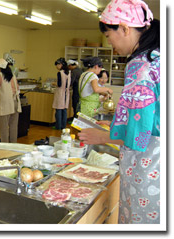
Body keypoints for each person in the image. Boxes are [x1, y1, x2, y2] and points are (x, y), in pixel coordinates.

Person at [78, 0, 160, 224]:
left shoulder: (140, 65)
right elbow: (149, 117)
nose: (109, 42)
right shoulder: (159, 57)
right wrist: (114, 127)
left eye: (108, 35)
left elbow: (138, 136)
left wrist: (102, 136)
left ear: (124, 28)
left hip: (151, 167)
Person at [0, 58, 21, 143]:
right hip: (15, 102)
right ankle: (13, 145)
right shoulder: (13, 75)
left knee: (4, 128)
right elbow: (17, 88)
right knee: (13, 126)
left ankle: (5, 147)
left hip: (5, 104)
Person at [52, 57, 71, 130]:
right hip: (66, 92)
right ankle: (63, 126)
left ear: (60, 64)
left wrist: (54, 83)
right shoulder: (69, 72)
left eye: (57, 65)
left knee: (59, 110)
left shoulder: (60, 73)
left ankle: (58, 126)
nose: (57, 67)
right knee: (64, 110)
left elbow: (59, 84)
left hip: (60, 93)